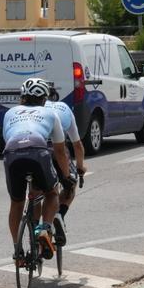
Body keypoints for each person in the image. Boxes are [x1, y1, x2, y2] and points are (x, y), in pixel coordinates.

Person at [2, 77, 74, 265]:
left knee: (16, 203)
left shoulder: (10, 113)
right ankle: (44, 228)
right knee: (51, 193)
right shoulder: (50, 114)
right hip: (37, 150)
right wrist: (66, 177)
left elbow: (8, 139)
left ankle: (17, 250)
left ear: (22, 97)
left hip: (12, 152)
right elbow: (59, 151)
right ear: (44, 99)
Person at [45, 83, 86, 245]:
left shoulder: (36, 108)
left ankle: (37, 231)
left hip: (37, 151)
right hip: (58, 152)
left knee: (40, 192)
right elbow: (77, 144)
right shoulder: (64, 108)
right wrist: (81, 167)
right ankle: (59, 215)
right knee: (70, 184)